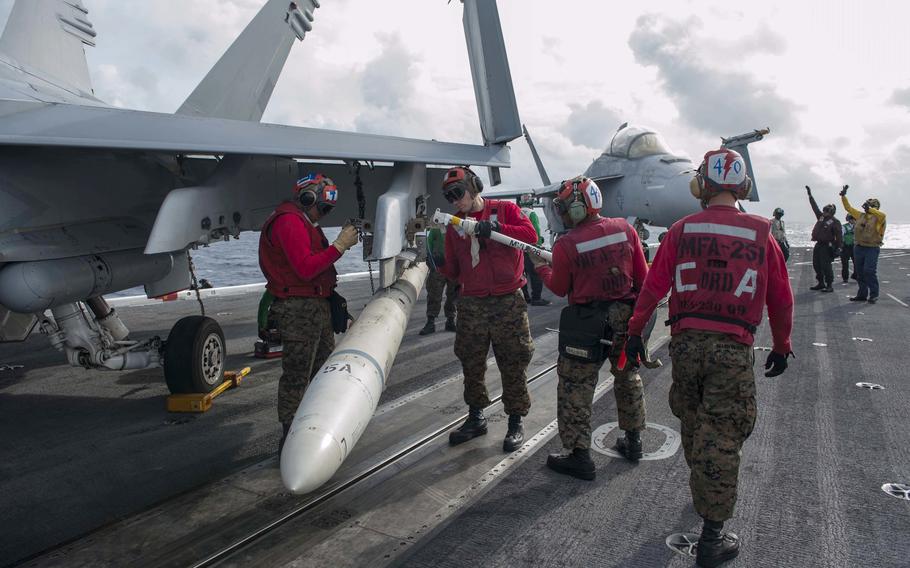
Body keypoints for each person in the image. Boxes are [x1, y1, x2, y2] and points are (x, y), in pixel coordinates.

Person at [625, 148, 793, 568]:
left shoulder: (681, 230)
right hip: (731, 348)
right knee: (723, 433)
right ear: (742, 187)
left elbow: (652, 287)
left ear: (701, 185)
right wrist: (782, 344)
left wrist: (634, 334)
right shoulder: (761, 233)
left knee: (695, 421)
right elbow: (780, 297)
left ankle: (704, 484)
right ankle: (713, 537)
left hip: (685, 345)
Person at [530, 176, 649, 480]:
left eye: (566, 206)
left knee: (575, 387)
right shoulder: (625, 229)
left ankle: (579, 456)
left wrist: (541, 266)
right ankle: (633, 442)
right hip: (624, 317)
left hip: (586, 324)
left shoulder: (566, 244)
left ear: (580, 207)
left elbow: (558, 287)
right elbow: (643, 278)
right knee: (627, 377)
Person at [438, 166, 538, 452]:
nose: (455, 201)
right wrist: (438, 261)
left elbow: (530, 237)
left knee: (513, 360)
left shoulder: (505, 210)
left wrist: (495, 229)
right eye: (449, 197)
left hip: (508, 301)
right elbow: (455, 270)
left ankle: (515, 421)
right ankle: (476, 417)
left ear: (475, 186)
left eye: (458, 194)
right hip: (472, 303)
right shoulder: (454, 225)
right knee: (471, 361)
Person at [258, 174, 359, 450]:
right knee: (297, 375)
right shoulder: (289, 222)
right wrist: (339, 246)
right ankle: (289, 438)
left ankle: (312, 429)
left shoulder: (304, 223)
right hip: (299, 311)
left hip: (315, 306)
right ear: (307, 198)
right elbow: (305, 268)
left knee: (321, 371)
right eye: (322, 208)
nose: (323, 215)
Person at [841, 185, 886, 303]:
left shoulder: (879, 218)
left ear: (875, 207)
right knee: (859, 272)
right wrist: (843, 196)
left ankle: (874, 294)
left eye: (869, 205)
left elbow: (882, 215)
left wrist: (870, 210)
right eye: (866, 205)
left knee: (869, 271)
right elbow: (848, 208)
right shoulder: (861, 215)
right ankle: (862, 294)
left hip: (872, 248)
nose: (867, 207)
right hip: (859, 247)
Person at [419, 226, 459, 335]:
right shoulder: (437, 228)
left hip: (454, 267)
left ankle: (451, 320)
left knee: (453, 295)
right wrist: (430, 260)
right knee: (434, 294)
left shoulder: (458, 226)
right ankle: (430, 322)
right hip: (438, 267)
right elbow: (429, 243)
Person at [805, 185, 842, 293]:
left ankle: (829, 285)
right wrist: (810, 195)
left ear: (831, 212)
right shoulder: (821, 217)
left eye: (826, 211)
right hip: (819, 245)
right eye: (824, 210)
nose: (824, 212)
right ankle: (821, 282)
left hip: (827, 246)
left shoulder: (835, 222)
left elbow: (839, 236)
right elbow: (814, 207)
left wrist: (839, 247)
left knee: (826, 266)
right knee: (816, 264)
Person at [517, 194, 551, 306]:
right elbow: (535, 231)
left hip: (518, 248)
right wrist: (539, 246)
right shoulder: (532, 214)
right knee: (536, 273)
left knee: (522, 274)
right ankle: (536, 298)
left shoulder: (516, 212)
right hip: (531, 248)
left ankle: (525, 298)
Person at [841, 213, 856, 283]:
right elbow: (841, 235)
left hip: (854, 247)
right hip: (846, 247)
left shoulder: (857, 227)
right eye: (852, 219)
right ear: (849, 220)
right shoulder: (844, 227)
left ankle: (856, 275)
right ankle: (845, 277)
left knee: (856, 262)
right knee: (845, 263)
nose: (854, 220)